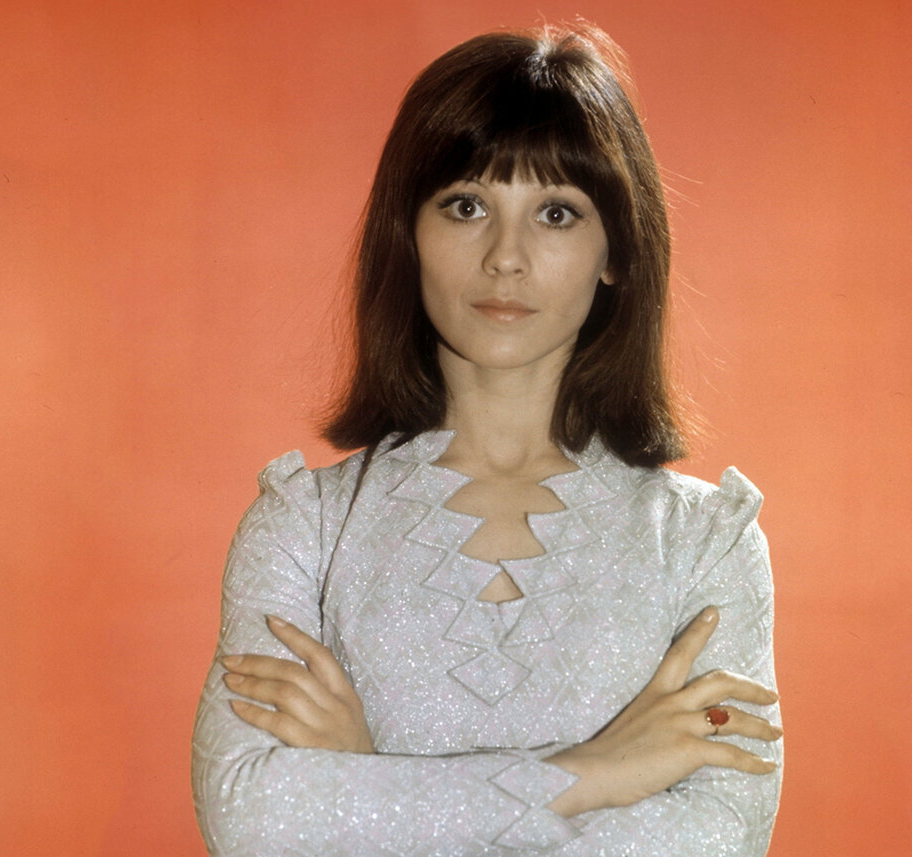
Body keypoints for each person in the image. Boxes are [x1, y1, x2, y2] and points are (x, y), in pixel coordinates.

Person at [192, 25, 782, 856]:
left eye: (556, 213)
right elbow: (252, 819)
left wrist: (367, 781)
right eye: (467, 205)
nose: (506, 257)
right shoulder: (303, 526)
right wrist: (596, 773)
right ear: (408, 232)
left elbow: (721, 836)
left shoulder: (707, 542)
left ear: (617, 252)